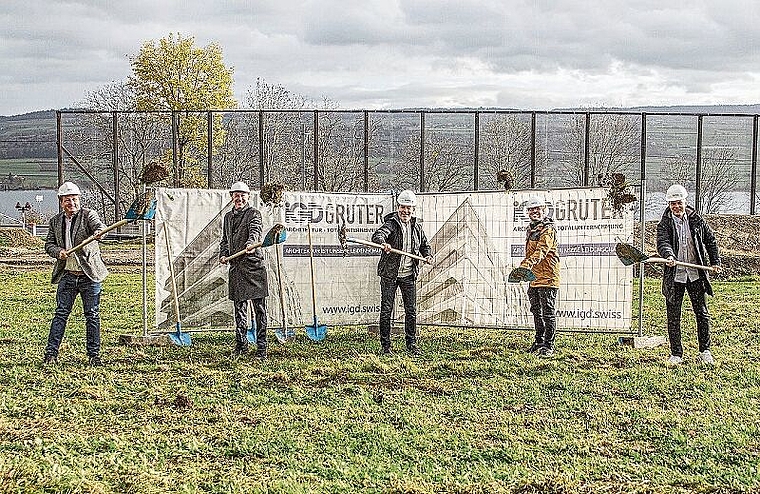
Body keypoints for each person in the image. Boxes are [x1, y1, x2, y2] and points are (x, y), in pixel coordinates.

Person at [43, 181, 108, 366]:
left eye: (74, 199)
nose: (71, 203)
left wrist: (99, 233)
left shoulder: (88, 215)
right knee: (61, 314)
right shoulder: (55, 222)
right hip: (68, 275)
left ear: (79, 199)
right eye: (67, 200)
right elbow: (48, 244)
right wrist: (58, 252)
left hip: (89, 276)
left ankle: (94, 356)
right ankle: (51, 354)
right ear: (61, 202)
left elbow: (99, 227)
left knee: (92, 315)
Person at [657, 184, 721, 366]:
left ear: (685, 202)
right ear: (669, 205)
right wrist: (668, 255)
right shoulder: (665, 223)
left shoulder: (697, 220)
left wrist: (715, 261)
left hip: (695, 274)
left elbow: (711, 240)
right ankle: (676, 354)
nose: (676, 207)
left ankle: (705, 351)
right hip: (675, 276)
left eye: (679, 203)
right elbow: (662, 242)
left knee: (701, 313)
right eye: (672, 204)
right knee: (673, 316)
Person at [372, 190, 432, 355]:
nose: (405, 211)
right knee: (386, 309)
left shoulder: (417, 227)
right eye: (402, 207)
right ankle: (385, 347)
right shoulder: (391, 224)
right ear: (398, 207)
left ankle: (411, 344)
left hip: (408, 275)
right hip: (390, 275)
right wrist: (383, 243)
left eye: (409, 208)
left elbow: (425, 245)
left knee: (411, 310)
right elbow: (378, 235)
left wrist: (427, 255)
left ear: (413, 209)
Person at [219, 181, 269, 358]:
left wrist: (251, 244)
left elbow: (255, 231)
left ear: (248, 196)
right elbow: (225, 240)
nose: (239, 198)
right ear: (232, 196)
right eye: (236, 195)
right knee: (239, 310)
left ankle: (261, 348)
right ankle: (241, 347)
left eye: (242, 195)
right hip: (237, 268)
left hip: (254, 267)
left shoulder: (254, 214)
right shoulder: (227, 217)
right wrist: (223, 254)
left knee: (259, 310)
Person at [518, 195, 560, 357]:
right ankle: (539, 342)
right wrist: (524, 267)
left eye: (537, 209)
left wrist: (526, 265)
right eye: (531, 210)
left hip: (548, 276)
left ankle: (548, 346)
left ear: (544, 210)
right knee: (536, 311)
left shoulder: (548, 229)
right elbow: (530, 253)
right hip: (534, 277)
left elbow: (542, 250)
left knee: (547, 311)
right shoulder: (532, 229)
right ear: (528, 212)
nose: (534, 212)